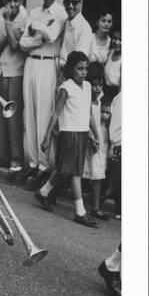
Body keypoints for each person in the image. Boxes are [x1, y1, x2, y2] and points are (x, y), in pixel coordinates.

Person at [36, 51, 99, 227]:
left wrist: (94, 134)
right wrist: (47, 137)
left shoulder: (87, 87)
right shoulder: (66, 87)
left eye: (86, 69)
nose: (83, 72)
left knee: (64, 169)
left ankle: (43, 191)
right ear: (71, 69)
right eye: (80, 69)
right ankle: (80, 212)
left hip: (82, 133)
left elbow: (89, 114)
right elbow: (56, 112)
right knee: (75, 172)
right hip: (68, 133)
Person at [20, 0, 67, 179]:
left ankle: (43, 164)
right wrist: (38, 33)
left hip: (48, 64)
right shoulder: (34, 11)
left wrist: (35, 29)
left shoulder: (61, 12)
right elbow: (23, 42)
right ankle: (31, 161)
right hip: (31, 61)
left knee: (43, 113)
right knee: (28, 112)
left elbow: (52, 35)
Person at [0, 0, 27, 172]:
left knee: (13, 116)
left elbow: (14, 45)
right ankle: (2, 156)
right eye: (9, 1)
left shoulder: (24, 16)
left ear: (20, 1)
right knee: (1, 116)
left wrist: (7, 25)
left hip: (16, 71)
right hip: (2, 69)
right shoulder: (1, 14)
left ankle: (16, 159)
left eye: (15, 0)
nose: (12, 4)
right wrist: (9, 30)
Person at [82, 63, 110, 220]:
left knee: (98, 173)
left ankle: (96, 206)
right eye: (94, 85)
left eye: (100, 85)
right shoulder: (86, 100)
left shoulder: (98, 101)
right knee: (76, 170)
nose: (98, 88)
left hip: (97, 139)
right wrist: (91, 136)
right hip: (87, 136)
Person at [59, 0, 93, 71]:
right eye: (67, 2)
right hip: (60, 71)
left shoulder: (84, 28)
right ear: (63, 3)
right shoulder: (66, 22)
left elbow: (79, 61)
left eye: (74, 2)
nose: (70, 6)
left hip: (72, 74)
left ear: (80, 3)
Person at [107, 91, 121, 219]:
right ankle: (119, 210)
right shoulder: (121, 98)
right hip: (120, 144)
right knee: (120, 179)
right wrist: (114, 144)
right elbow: (115, 126)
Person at [103, 29, 122, 100]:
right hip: (105, 92)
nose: (117, 42)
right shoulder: (110, 53)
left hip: (116, 94)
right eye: (115, 38)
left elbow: (121, 88)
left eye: (120, 39)